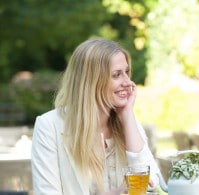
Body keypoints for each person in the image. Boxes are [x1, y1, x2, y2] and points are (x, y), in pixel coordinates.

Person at [31, 38, 161, 194]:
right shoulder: (49, 126)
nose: (128, 82)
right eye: (116, 75)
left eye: (126, 72)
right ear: (91, 81)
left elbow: (152, 184)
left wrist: (127, 115)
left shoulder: (129, 123)